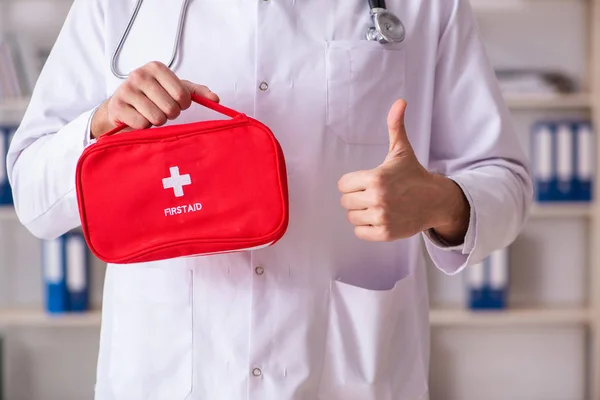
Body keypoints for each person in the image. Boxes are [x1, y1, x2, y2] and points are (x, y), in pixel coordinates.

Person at [7, 0, 533, 399]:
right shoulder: (121, 7)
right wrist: (100, 130)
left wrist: (442, 201)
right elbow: (33, 194)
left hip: (346, 377)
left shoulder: (422, 5)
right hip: (165, 377)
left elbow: (504, 177)